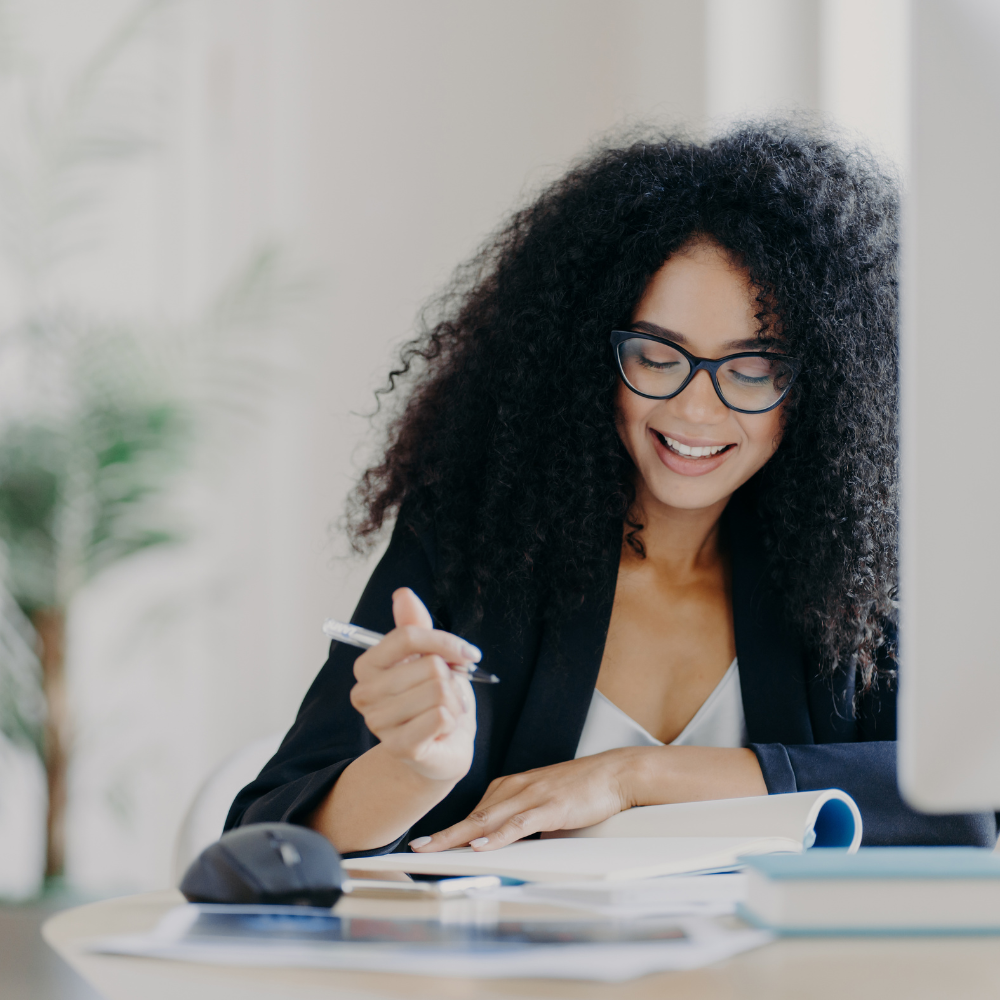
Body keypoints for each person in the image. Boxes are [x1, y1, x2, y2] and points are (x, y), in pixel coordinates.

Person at [226, 124, 998, 855]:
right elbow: (264, 838)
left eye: (753, 368)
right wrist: (411, 772)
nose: (698, 409)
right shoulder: (478, 543)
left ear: (824, 387)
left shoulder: (859, 579)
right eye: (659, 356)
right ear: (589, 354)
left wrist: (633, 778)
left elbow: (967, 801)